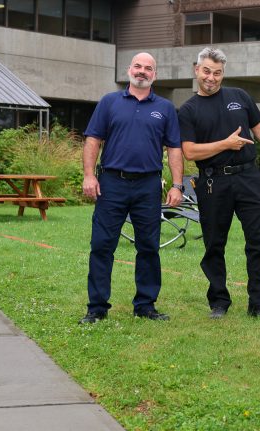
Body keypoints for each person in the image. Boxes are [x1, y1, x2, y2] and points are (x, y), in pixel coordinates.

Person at [178, 47, 260, 322]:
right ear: (197, 70)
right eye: (207, 71)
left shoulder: (239, 97)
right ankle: (219, 301)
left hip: (248, 178)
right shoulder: (188, 110)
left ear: (223, 73)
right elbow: (190, 152)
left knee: (259, 242)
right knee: (214, 245)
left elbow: (258, 128)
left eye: (218, 73)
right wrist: (226, 144)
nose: (212, 78)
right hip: (213, 182)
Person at [80, 52, 183, 324]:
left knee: (149, 247)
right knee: (102, 245)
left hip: (148, 185)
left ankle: (145, 305)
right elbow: (93, 140)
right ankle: (97, 308)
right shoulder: (109, 102)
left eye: (148, 68)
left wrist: (177, 184)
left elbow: (174, 148)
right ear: (129, 70)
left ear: (154, 75)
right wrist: (89, 176)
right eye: (138, 66)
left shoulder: (166, 108)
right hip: (112, 183)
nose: (142, 71)